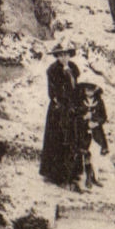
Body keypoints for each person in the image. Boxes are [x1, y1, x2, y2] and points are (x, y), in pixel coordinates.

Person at [39, 41, 83, 188]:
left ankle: (73, 173)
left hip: (71, 109)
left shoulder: (73, 69)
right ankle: (56, 175)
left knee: (73, 138)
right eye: (61, 55)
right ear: (57, 56)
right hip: (58, 110)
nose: (64, 58)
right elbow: (53, 92)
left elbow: (76, 87)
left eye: (67, 54)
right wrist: (61, 102)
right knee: (57, 139)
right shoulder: (53, 71)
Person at [76, 77, 108, 189]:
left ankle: (96, 178)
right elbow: (75, 116)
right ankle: (88, 178)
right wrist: (84, 118)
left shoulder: (99, 102)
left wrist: (95, 121)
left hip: (97, 132)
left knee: (96, 154)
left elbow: (103, 117)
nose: (88, 92)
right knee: (86, 154)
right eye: (86, 89)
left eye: (91, 89)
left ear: (95, 90)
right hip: (83, 132)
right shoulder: (80, 101)